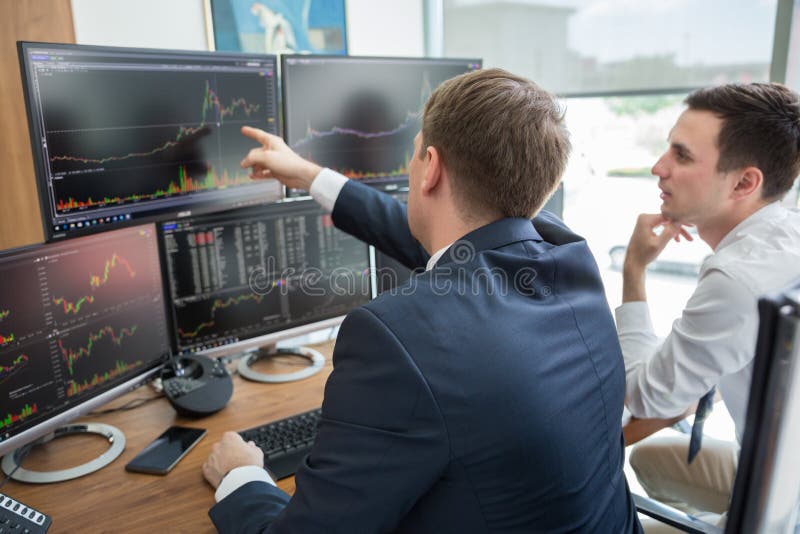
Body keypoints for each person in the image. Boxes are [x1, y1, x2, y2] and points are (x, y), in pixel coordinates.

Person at [203, 68, 642, 533]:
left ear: (430, 167)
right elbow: (453, 241)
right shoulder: (569, 258)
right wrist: (309, 175)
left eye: (413, 156)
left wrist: (241, 475)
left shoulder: (396, 340)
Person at [618, 82, 800, 519]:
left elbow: (644, 397)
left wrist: (633, 271)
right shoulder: (786, 234)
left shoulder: (736, 280)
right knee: (648, 460)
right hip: (783, 477)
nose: (658, 168)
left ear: (744, 182)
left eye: (682, 156)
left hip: (779, 508)